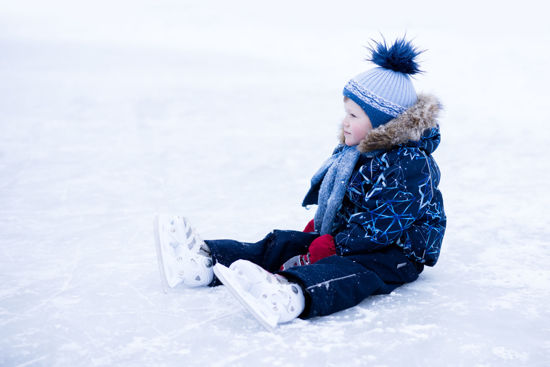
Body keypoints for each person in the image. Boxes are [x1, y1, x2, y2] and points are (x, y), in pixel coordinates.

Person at [153, 36, 446, 330]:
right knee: (285, 243)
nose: (345, 121)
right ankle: (204, 263)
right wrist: (324, 229)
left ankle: (290, 294)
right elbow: (346, 202)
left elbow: (384, 224)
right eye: (346, 112)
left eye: (354, 115)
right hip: (355, 237)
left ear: (384, 124)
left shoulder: (410, 164)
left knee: (351, 271)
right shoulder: (355, 153)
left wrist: (336, 244)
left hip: (396, 252)